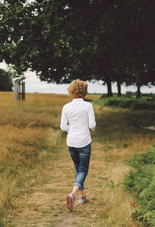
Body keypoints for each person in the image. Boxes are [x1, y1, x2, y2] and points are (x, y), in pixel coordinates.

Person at [60, 80, 96, 212]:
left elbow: (63, 127)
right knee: (83, 170)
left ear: (71, 91)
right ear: (84, 91)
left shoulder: (66, 107)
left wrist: (73, 128)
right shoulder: (88, 106)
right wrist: (83, 127)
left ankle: (83, 197)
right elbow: (92, 125)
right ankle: (72, 195)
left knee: (78, 168)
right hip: (84, 142)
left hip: (71, 142)